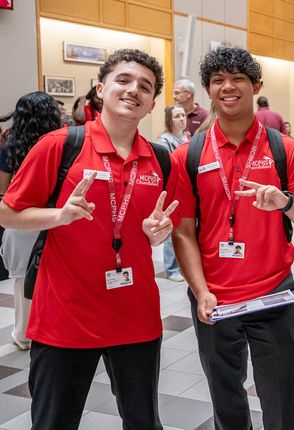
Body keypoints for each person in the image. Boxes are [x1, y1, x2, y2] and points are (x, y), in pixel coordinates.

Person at [0, 49, 176, 430]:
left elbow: (161, 223)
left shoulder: (161, 160)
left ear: (151, 104)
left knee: (144, 422)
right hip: (65, 318)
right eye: (124, 80)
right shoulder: (60, 145)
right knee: (53, 423)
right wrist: (58, 216)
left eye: (144, 86)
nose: (133, 90)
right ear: (101, 89)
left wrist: (158, 231)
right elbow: (7, 211)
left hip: (135, 318)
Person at [169, 46, 294, 429]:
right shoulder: (188, 155)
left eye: (237, 78)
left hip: (272, 293)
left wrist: (285, 203)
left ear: (255, 84)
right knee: (225, 397)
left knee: (282, 395)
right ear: (208, 90)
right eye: (218, 80)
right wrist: (200, 289)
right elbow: (183, 231)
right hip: (214, 298)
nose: (228, 87)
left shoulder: (284, 150)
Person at [0, 92, 62, 351]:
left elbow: (3, 190)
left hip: (20, 219)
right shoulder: (63, 144)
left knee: (21, 278)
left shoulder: (10, 147)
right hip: (54, 218)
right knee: (55, 277)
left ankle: (23, 334)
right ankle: (51, 329)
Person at [156, 105, 189, 283]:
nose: (182, 119)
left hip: (186, 188)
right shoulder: (164, 141)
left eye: (183, 115)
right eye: (177, 116)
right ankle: (171, 268)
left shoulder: (187, 137)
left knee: (183, 227)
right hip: (171, 188)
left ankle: (183, 265)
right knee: (171, 226)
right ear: (170, 119)